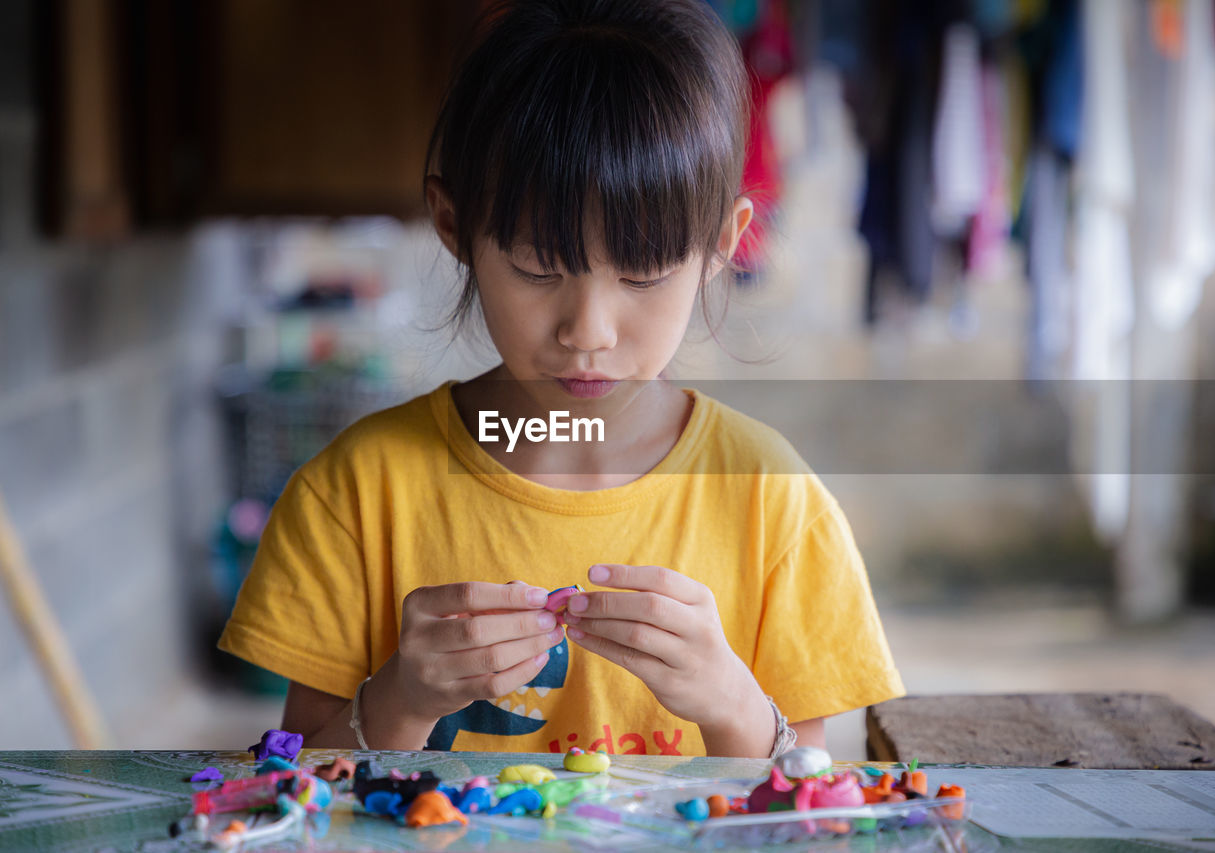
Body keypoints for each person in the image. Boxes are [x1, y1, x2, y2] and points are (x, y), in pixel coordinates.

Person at [219, 0, 903, 758]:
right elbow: (296, 790)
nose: (588, 332)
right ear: (455, 226)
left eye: (643, 274)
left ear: (723, 246)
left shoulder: (775, 505)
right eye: (538, 269)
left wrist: (732, 702)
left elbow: (809, 806)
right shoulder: (353, 494)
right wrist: (401, 698)